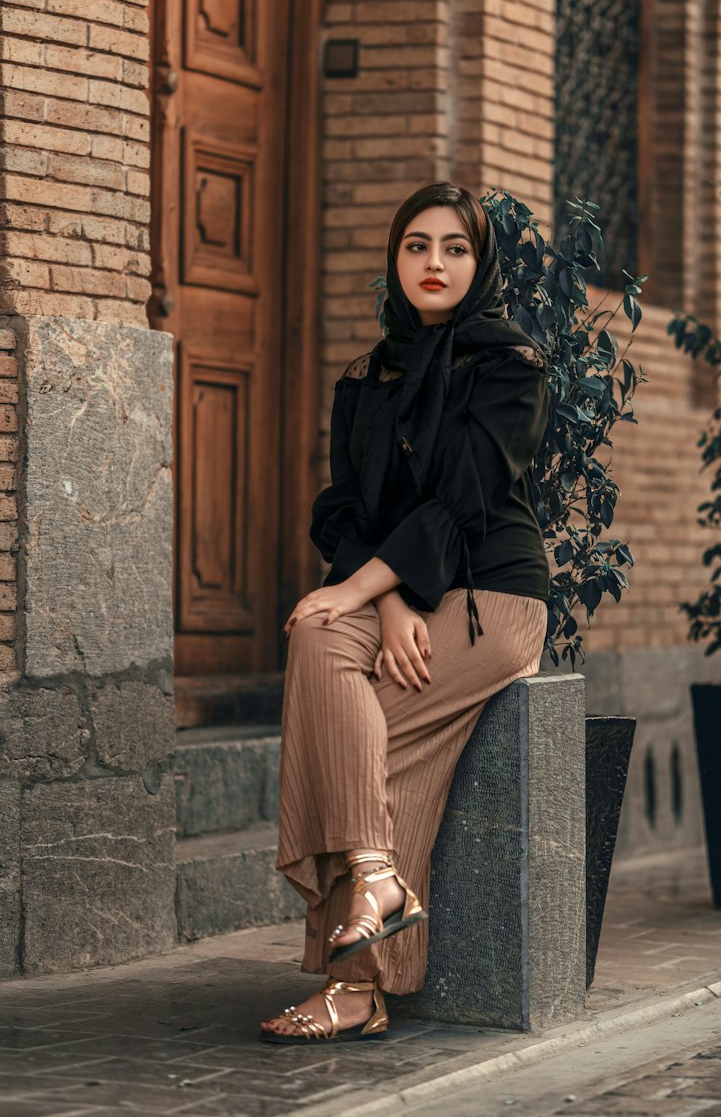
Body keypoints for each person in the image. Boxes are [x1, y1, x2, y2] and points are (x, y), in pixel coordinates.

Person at [259, 182, 551, 1044]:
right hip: (401, 591)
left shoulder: (512, 369)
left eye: (454, 248)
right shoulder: (370, 377)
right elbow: (347, 509)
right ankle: (376, 876)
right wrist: (382, 603)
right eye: (417, 245)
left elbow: (463, 500)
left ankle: (355, 987)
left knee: (358, 744)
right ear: (395, 260)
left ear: (480, 262)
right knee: (319, 642)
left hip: (490, 596)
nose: (434, 263)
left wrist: (362, 589)